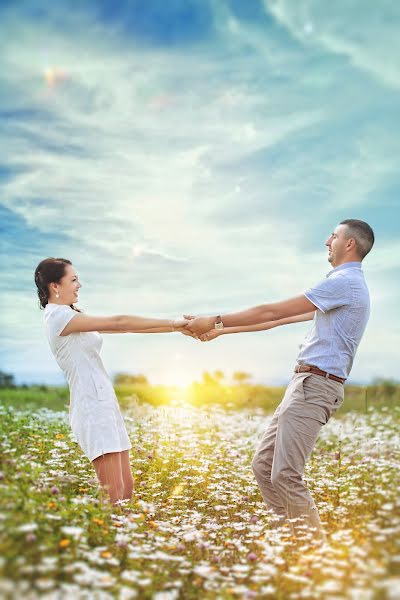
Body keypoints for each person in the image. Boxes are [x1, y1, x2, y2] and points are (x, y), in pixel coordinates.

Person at [185, 219, 374, 543]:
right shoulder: (341, 287)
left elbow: (271, 310)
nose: (327, 241)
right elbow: (280, 319)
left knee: (285, 474)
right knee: (264, 466)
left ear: (350, 244)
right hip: (305, 383)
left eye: (334, 235)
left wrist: (214, 317)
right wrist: (222, 330)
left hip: (315, 385)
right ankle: (291, 542)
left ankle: (313, 558)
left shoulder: (345, 283)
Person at [34, 257, 188, 506]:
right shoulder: (57, 317)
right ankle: (105, 542)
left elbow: (124, 328)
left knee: (127, 489)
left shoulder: (74, 314)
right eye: (73, 279)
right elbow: (119, 321)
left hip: (105, 403)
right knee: (113, 495)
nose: (79, 285)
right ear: (55, 286)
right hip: (90, 407)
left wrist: (178, 328)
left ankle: (124, 542)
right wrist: (173, 322)